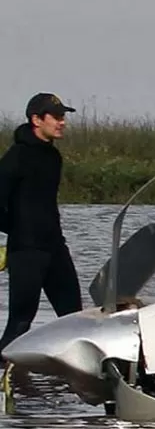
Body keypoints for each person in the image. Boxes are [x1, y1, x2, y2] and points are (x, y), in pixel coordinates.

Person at [0, 93, 83, 356]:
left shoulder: (53, 157)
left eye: (63, 117)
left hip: (55, 249)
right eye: (56, 117)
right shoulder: (16, 157)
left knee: (75, 320)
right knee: (20, 323)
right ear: (36, 119)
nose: (62, 123)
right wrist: (16, 232)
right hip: (26, 251)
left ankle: (76, 383)